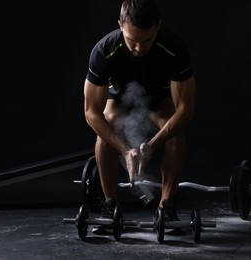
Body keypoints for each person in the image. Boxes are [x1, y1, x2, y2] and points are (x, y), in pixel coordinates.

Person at [83, 0, 196, 233]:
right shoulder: (104, 50)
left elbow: (185, 109)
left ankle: (166, 206)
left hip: (159, 102)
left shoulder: (173, 47)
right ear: (120, 25)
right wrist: (125, 150)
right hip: (120, 101)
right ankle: (110, 205)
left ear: (158, 27)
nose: (138, 48)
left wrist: (153, 145)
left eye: (146, 41)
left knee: (175, 130)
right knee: (106, 129)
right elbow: (91, 112)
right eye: (131, 41)